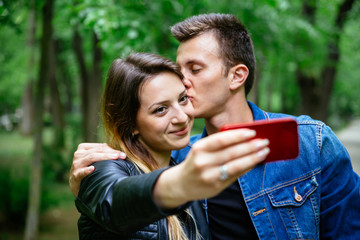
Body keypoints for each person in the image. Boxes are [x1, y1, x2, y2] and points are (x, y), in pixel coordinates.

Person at [70, 13, 360, 239]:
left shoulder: (312, 142)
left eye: (194, 69)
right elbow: (119, 199)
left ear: (236, 76)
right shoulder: (181, 159)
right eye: (179, 69)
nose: (182, 80)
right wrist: (86, 190)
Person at [75, 52, 270, 239]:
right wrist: (182, 183)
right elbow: (113, 203)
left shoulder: (180, 164)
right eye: (161, 109)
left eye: (183, 99)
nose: (182, 116)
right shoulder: (101, 167)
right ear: (130, 124)